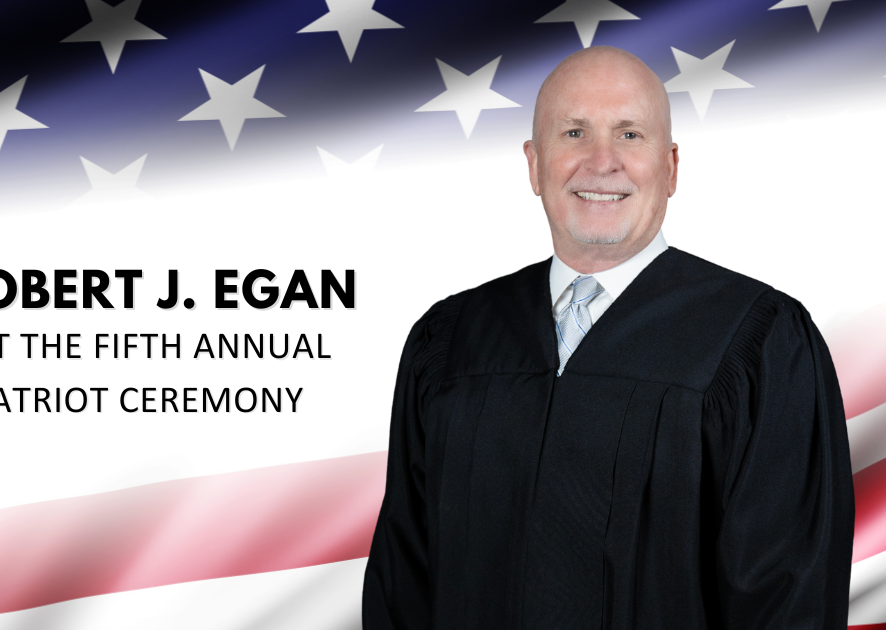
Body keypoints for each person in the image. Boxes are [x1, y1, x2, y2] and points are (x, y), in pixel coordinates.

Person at [362, 46, 854, 629]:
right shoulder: (450, 342)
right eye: (574, 132)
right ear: (534, 163)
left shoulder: (760, 342)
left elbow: (788, 602)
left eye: (629, 134)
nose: (602, 162)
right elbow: (402, 588)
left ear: (670, 167)